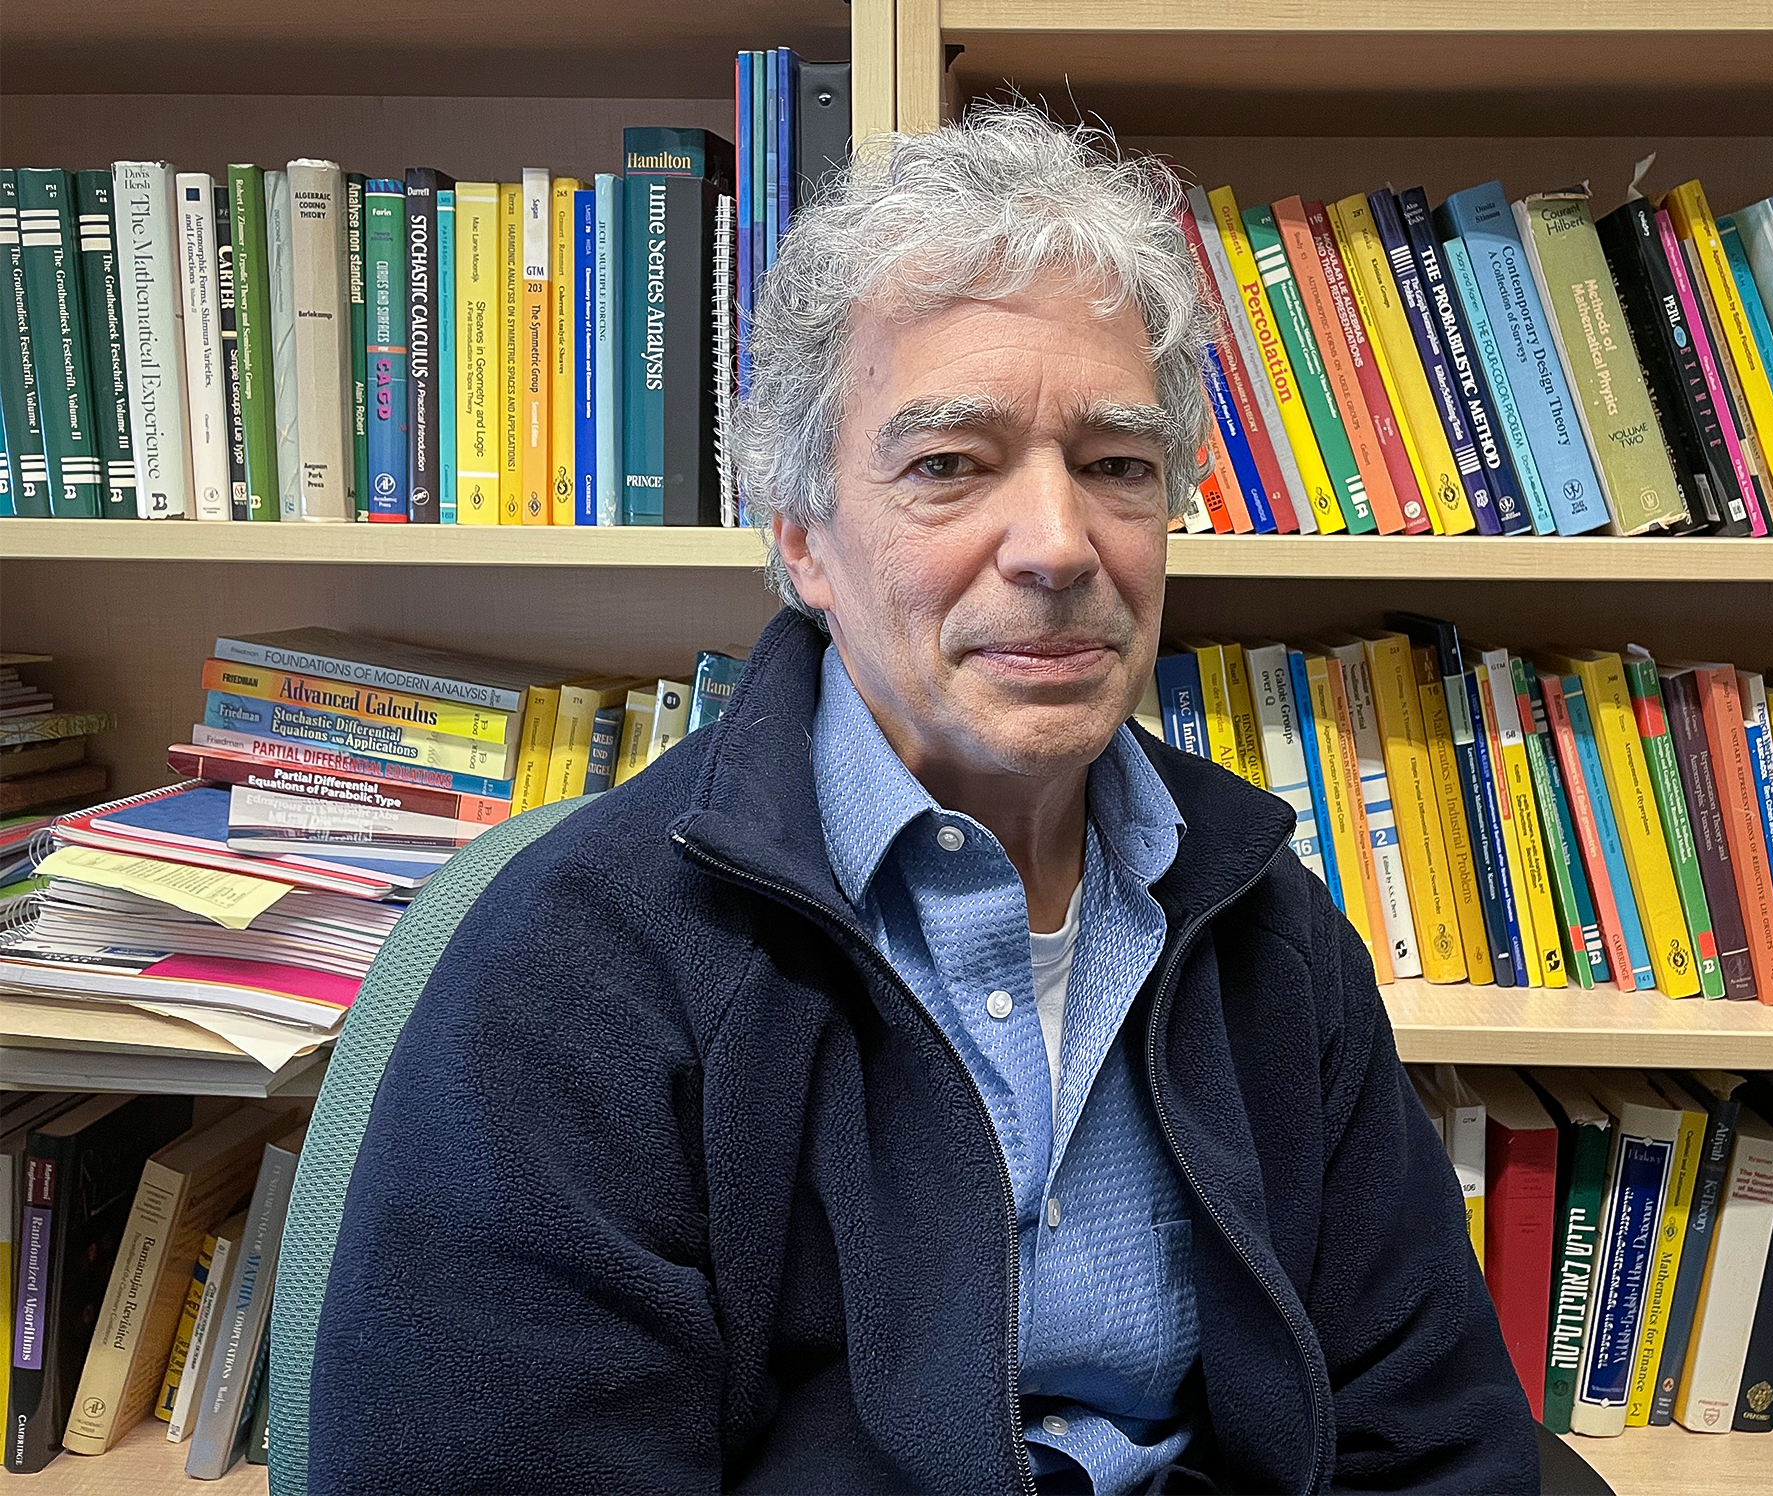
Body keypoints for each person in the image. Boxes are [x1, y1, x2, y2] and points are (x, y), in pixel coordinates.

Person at [308, 106, 1537, 1496]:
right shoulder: (582, 968)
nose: (1059, 544)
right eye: (948, 465)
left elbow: (1431, 1439)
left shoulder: (1269, 927)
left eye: (1116, 465)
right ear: (803, 540)